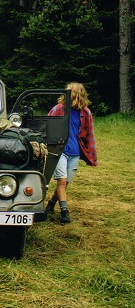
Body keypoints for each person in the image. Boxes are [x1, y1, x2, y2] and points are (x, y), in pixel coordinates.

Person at [45, 82, 98, 224]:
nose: (67, 94)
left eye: (70, 92)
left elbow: (90, 135)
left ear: (77, 94)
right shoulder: (58, 109)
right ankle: (65, 213)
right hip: (60, 151)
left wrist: (91, 155)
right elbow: (46, 127)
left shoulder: (85, 113)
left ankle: (51, 204)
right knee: (61, 181)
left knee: (65, 183)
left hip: (74, 153)